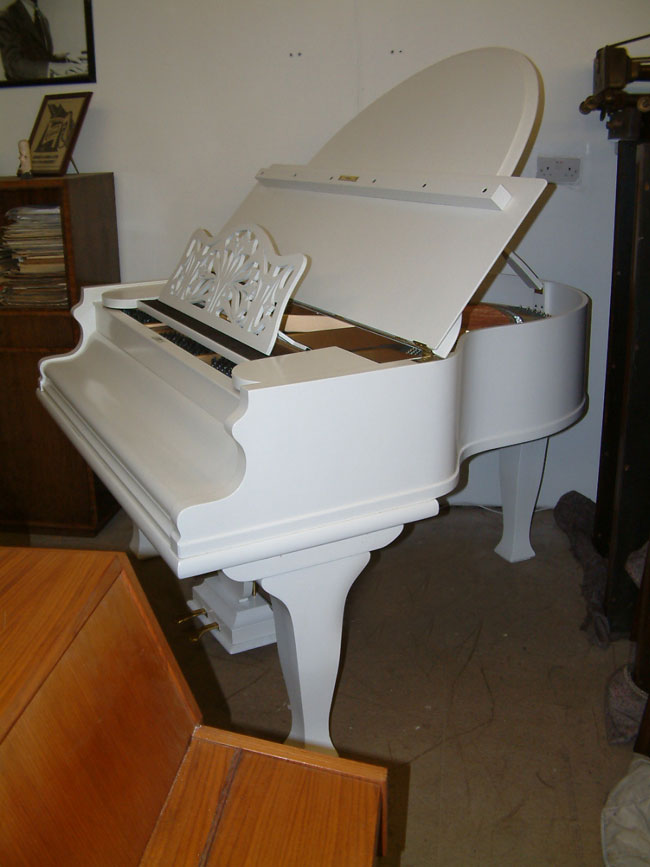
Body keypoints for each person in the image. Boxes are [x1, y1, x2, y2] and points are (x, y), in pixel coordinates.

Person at [0, 0, 66, 82]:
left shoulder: (42, 18)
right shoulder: (6, 16)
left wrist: (65, 59)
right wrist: (50, 68)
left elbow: (42, 58)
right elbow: (13, 65)